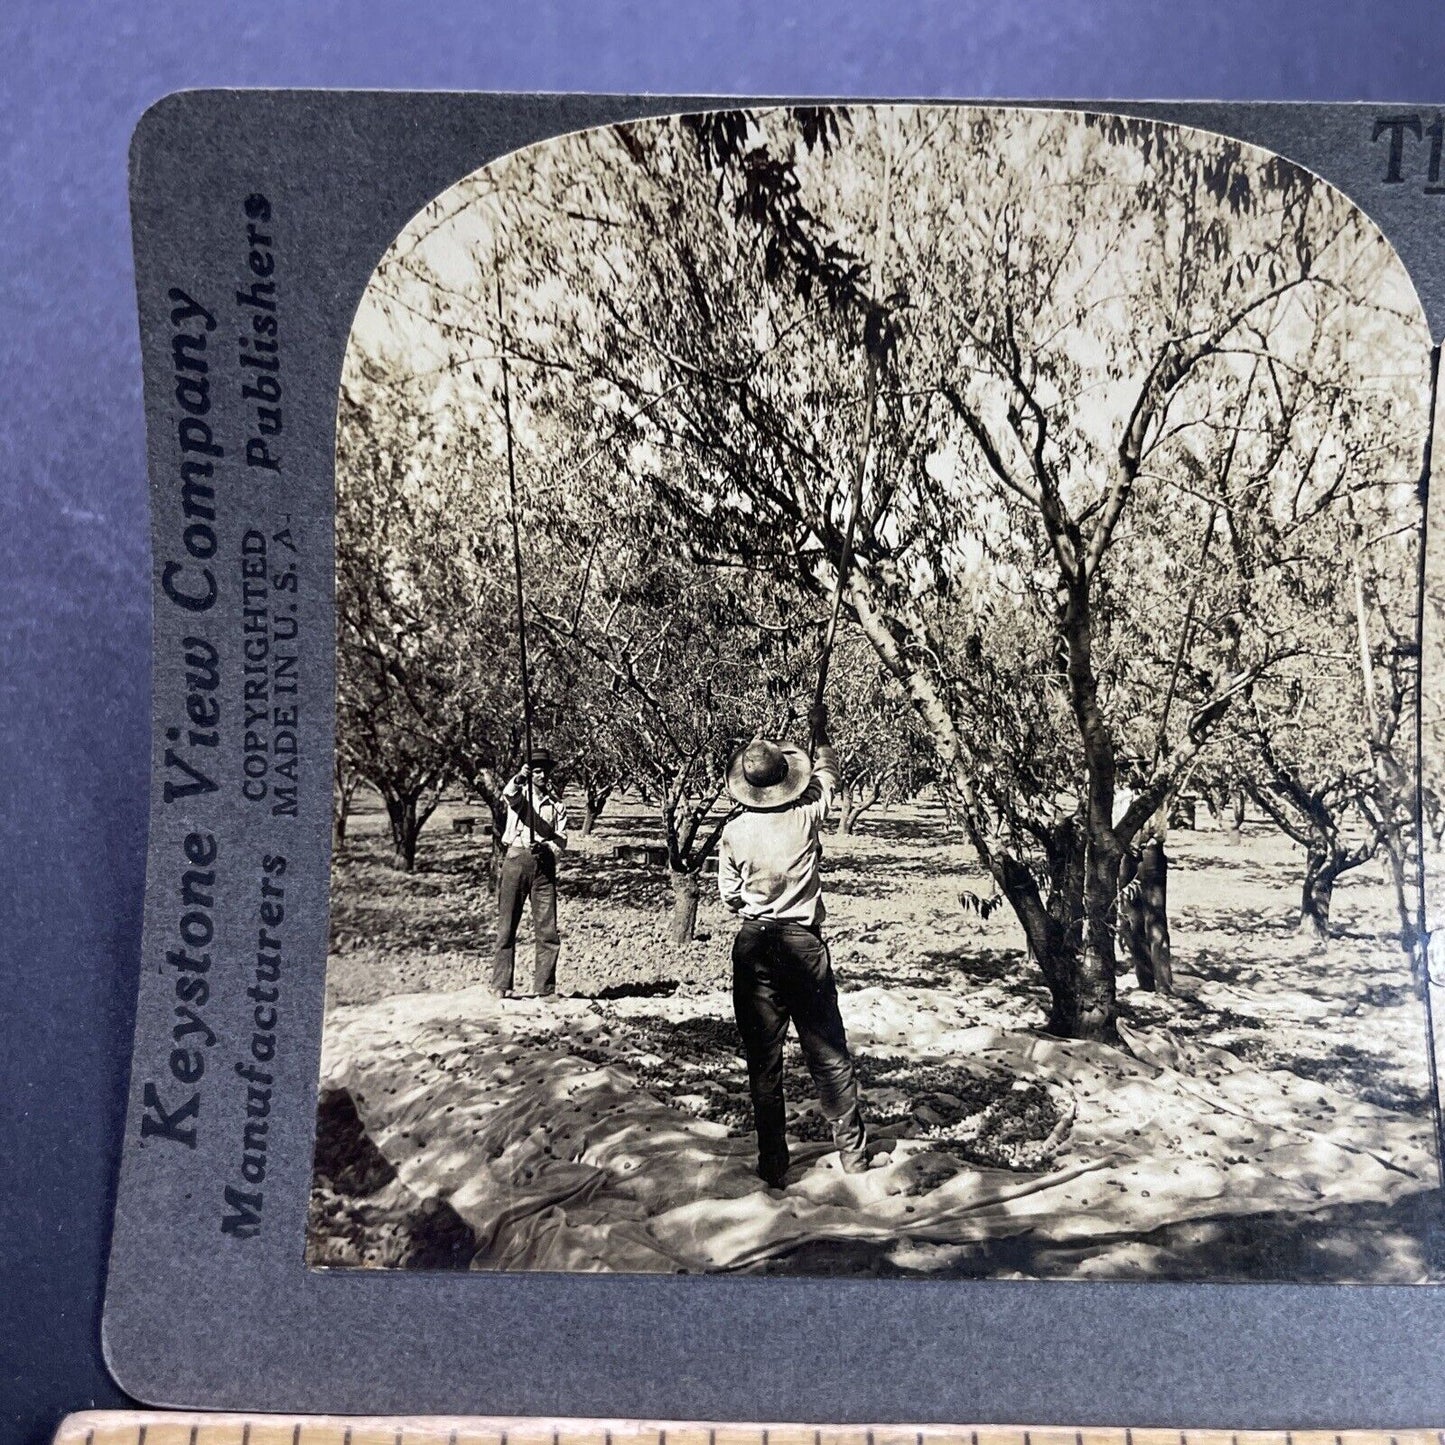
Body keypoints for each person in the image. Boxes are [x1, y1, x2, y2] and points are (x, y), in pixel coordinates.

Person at [718, 703, 870, 1189]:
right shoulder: (807, 815)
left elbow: (727, 894)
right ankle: (854, 1155)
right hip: (802, 945)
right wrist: (820, 730)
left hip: (754, 944)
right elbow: (828, 770)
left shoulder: (735, 831)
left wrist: (756, 896)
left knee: (764, 1058)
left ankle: (773, 1162)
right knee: (827, 1050)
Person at [490, 746, 569, 998]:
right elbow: (508, 793)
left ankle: (545, 989)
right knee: (507, 925)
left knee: (547, 929)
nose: (542, 776)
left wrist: (546, 846)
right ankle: (501, 985)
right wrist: (519, 777)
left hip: (544, 866)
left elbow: (562, 839)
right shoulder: (521, 796)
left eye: (545, 772)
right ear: (530, 773)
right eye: (536, 772)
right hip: (516, 860)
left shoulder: (557, 805)